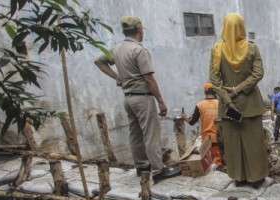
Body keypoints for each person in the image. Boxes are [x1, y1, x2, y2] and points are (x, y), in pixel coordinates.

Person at [94, 16, 179, 182]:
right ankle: (158, 170)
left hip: (128, 98)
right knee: (150, 134)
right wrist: (160, 101)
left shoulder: (118, 49)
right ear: (140, 30)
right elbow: (149, 79)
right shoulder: (139, 50)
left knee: (135, 134)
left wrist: (117, 77)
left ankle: (142, 167)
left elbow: (99, 61)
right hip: (142, 98)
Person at [210, 13, 269, 187]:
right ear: (242, 27)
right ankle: (256, 178)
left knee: (233, 143)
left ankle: (238, 178)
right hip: (250, 104)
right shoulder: (252, 48)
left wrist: (228, 99)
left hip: (229, 107)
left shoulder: (217, 49)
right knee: (254, 143)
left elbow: (214, 80)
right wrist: (239, 89)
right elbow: (258, 73)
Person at [187, 83, 223, 167]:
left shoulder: (199, 105)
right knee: (218, 163)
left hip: (206, 141)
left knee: (210, 164)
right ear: (215, 92)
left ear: (205, 92)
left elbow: (191, 122)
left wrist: (185, 117)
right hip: (219, 139)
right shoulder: (220, 104)